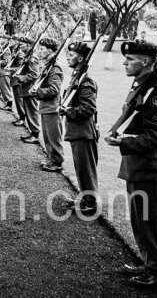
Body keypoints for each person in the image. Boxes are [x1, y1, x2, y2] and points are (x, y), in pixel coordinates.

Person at [105, 40, 157, 287]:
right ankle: (148, 263)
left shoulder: (155, 97)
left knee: (150, 222)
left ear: (145, 62)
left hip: (148, 169)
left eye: (130, 59)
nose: (124, 62)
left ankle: (156, 271)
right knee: (139, 220)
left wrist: (123, 142)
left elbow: (156, 137)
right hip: (135, 166)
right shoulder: (141, 87)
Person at [58, 42, 99, 213]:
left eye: (72, 54)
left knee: (86, 170)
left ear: (81, 58)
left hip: (84, 132)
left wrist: (67, 111)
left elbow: (88, 109)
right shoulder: (78, 77)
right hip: (77, 131)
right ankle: (85, 197)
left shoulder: (86, 81)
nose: (68, 56)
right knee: (80, 169)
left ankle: (90, 204)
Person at [29, 38, 64, 171]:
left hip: (52, 107)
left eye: (42, 49)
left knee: (54, 137)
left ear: (49, 51)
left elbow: (54, 90)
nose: (39, 51)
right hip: (46, 106)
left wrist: (38, 91)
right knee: (48, 136)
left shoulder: (55, 68)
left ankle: (57, 162)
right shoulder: (49, 65)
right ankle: (51, 159)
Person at [13, 37, 40, 144]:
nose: (20, 47)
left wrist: (20, 78)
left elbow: (34, 75)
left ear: (29, 45)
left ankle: (35, 134)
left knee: (32, 112)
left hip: (30, 89)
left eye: (23, 45)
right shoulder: (27, 57)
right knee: (29, 111)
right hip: (26, 89)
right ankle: (32, 132)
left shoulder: (32, 58)